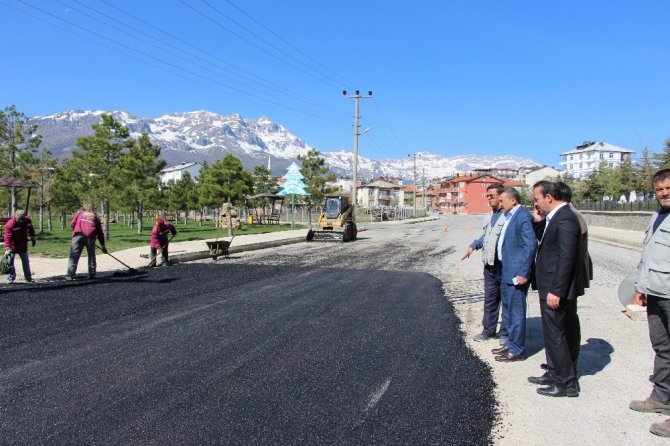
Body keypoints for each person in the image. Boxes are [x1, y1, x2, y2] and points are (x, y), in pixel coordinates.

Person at [530, 181, 589, 398]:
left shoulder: (566, 219)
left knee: (557, 334)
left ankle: (566, 384)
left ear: (549, 197)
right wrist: (538, 221)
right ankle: (555, 372)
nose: (535, 202)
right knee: (554, 331)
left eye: (536, 198)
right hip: (551, 285)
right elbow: (548, 244)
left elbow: (566, 258)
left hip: (556, 288)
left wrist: (557, 290)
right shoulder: (554, 217)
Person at [629, 169, 670, 437]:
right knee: (662, 347)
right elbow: (648, 255)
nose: (664, 193)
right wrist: (640, 288)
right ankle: (661, 397)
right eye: (659, 189)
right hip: (655, 292)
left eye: (668, 188)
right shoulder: (657, 215)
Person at [490, 187, 536, 362]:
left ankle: (516, 350)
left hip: (517, 274)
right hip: (506, 271)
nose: (500, 204)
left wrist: (524, 272)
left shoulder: (523, 217)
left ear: (513, 200)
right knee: (508, 311)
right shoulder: (510, 216)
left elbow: (530, 245)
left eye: (502, 201)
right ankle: (510, 344)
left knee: (516, 312)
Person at [461, 184, 508, 342]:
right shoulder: (489, 216)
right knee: (490, 300)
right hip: (489, 265)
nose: (488, 198)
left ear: (502, 197)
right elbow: (486, 237)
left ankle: (505, 333)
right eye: (487, 196)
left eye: (491, 196)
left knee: (507, 301)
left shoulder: (509, 216)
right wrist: (473, 245)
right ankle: (488, 330)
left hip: (504, 265)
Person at [66, 202, 107, 280]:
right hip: (90, 237)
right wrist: (103, 246)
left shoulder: (80, 214)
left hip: (78, 235)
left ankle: (70, 274)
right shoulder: (95, 218)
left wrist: (76, 228)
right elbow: (100, 233)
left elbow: (72, 224)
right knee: (91, 255)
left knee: (74, 254)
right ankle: (92, 274)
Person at [3, 210, 36, 283]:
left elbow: (31, 229)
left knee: (25, 262)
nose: (20, 221)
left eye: (22, 219)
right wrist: (7, 247)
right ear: (16, 217)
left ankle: (28, 278)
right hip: (12, 246)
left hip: (23, 244)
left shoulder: (27, 220)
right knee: (10, 262)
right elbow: (7, 237)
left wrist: (33, 237)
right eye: (19, 220)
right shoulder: (10, 224)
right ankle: (11, 278)